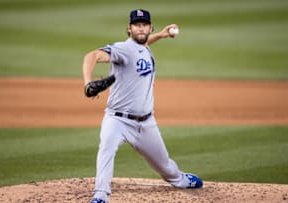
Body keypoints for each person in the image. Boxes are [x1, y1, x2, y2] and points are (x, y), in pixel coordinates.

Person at [82, 9, 203, 203]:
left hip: (146, 123)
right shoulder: (122, 49)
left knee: (164, 164)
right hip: (117, 120)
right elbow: (92, 55)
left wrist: (162, 35)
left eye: (144, 24)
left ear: (149, 27)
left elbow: (144, 42)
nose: (141, 28)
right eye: (137, 25)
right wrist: (88, 82)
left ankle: (179, 179)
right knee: (106, 147)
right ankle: (100, 195)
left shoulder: (143, 46)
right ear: (129, 29)